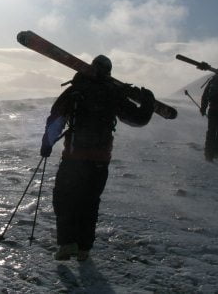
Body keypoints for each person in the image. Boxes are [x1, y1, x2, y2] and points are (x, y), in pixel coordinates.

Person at [40, 55, 155, 262]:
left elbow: (57, 118)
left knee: (65, 199)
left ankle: (67, 245)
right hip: (100, 160)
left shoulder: (76, 90)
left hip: (74, 158)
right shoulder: (114, 93)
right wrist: (148, 103)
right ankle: (84, 249)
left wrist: (47, 144)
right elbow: (137, 119)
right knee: (90, 203)